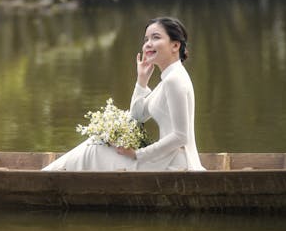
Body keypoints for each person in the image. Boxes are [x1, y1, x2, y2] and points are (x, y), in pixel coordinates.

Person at [42, 16, 206, 172]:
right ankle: (46, 175)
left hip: (173, 165)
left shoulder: (174, 80)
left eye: (155, 38)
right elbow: (138, 116)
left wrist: (138, 154)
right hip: (164, 160)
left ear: (175, 46)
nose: (148, 44)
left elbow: (181, 136)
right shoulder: (168, 79)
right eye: (146, 39)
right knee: (95, 144)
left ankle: (44, 176)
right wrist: (141, 80)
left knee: (93, 149)